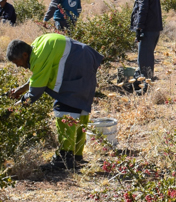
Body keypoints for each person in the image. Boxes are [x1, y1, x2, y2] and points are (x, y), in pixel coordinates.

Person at [6, 34, 105, 170]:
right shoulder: (37, 46)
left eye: (16, 62)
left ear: (24, 55)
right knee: (80, 107)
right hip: (84, 59)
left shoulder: (38, 58)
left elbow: (35, 93)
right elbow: (38, 76)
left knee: (64, 107)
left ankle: (65, 159)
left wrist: (13, 109)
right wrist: (20, 90)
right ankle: (77, 156)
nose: (17, 66)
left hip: (76, 66)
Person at [130, 0, 163, 80]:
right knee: (148, 56)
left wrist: (139, 29)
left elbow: (142, 12)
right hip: (154, 29)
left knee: (144, 59)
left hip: (147, 30)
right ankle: (147, 80)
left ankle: (145, 84)